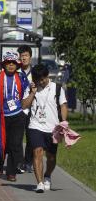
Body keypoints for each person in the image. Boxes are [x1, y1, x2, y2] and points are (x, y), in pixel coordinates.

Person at [22, 64, 68, 193]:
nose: (41, 82)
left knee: (51, 157)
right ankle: (40, 183)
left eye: (43, 79)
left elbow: (63, 106)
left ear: (47, 76)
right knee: (37, 152)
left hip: (53, 128)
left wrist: (64, 121)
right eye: (38, 80)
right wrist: (32, 93)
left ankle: (47, 175)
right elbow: (24, 106)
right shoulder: (31, 88)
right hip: (35, 125)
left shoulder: (57, 88)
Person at [0, 52, 29, 181]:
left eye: (13, 63)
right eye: (8, 63)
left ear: (17, 65)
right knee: (0, 145)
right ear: (4, 64)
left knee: (15, 145)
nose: (11, 65)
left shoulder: (21, 77)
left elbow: (26, 95)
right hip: (1, 117)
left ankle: (11, 172)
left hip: (17, 116)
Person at [18, 45, 34, 173]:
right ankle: (19, 161)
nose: (24, 58)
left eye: (26, 56)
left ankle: (28, 162)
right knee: (17, 137)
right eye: (22, 56)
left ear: (30, 57)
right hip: (18, 109)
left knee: (31, 137)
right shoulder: (16, 72)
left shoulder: (35, 72)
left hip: (33, 109)